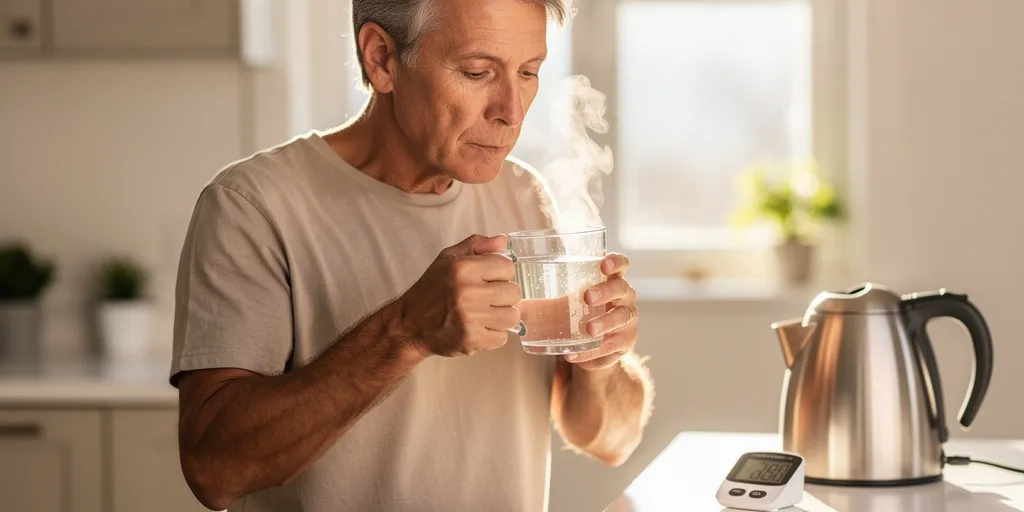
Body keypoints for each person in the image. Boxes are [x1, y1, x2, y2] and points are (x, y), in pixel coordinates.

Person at [170, 0, 654, 510]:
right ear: (382, 58)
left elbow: (611, 442)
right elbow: (214, 470)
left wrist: (601, 359)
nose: (511, 111)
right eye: (477, 71)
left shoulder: (522, 195)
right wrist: (404, 331)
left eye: (529, 72)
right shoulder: (254, 206)